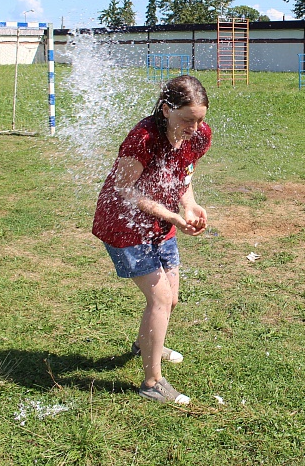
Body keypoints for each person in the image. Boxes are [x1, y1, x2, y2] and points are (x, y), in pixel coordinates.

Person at [92, 75, 211, 404]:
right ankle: (152, 382)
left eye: (200, 119)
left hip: (161, 223)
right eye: (188, 119)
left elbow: (182, 176)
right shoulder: (143, 138)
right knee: (159, 300)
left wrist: (189, 205)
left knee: (170, 300)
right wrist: (172, 215)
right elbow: (125, 189)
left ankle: (146, 343)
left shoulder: (198, 136)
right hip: (124, 224)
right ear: (166, 109)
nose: (194, 127)